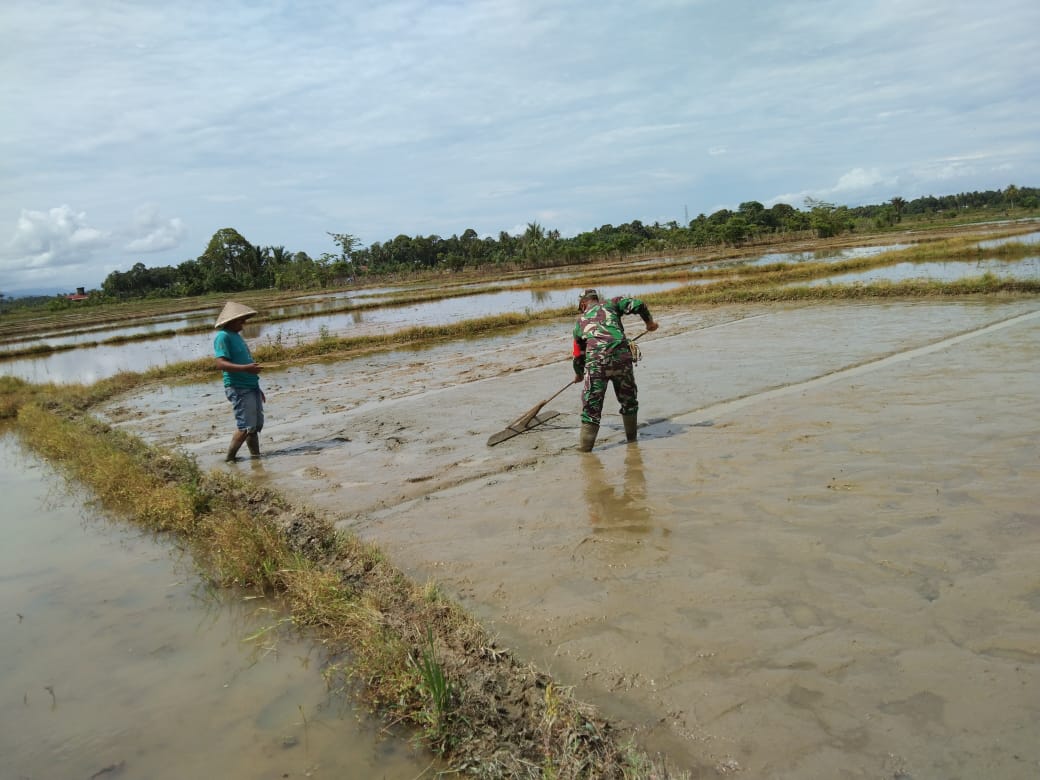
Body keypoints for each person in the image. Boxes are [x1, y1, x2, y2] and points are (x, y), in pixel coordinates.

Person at [572, 289, 659, 452]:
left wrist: (578, 374)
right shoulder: (612, 303)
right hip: (621, 359)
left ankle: (585, 451)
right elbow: (638, 304)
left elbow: (578, 356)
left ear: (583, 304)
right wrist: (649, 323)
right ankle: (632, 441)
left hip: (596, 364)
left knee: (591, 407)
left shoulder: (579, 323)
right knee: (629, 400)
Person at [213, 301, 265, 461]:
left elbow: (245, 362)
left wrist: (257, 387)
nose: (243, 324)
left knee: (253, 427)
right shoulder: (223, 337)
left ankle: (256, 458)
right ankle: (229, 459)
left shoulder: (236, 336)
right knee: (244, 427)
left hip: (251, 386)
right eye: (240, 320)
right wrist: (246, 369)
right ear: (231, 321)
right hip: (239, 387)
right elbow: (220, 363)